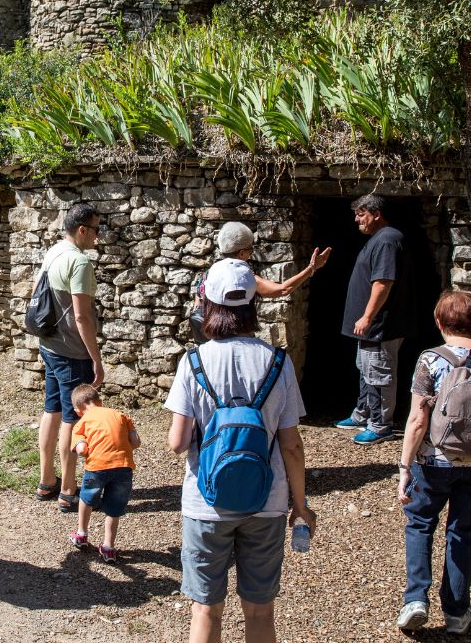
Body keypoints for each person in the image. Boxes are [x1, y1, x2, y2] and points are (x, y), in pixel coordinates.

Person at [165, 258, 316, 643]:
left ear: (208, 305)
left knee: (205, 609)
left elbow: (178, 442)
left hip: (205, 503)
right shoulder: (278, 362)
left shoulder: (194, 362)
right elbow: (292, 445)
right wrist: (300, 505)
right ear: (253, 305)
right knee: (260, 610)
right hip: (267, 501)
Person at [396, 291, 471, 636]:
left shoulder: (431, 361)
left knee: (420, 523)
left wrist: (405, 466)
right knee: (463, 533)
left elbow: (418, 420)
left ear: (439, 322)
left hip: (434, 463)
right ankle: (457, 612)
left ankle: (415, 600)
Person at [34, 202, 103, 513]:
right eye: (96, 230)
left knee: (52, 411)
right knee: (73, 420)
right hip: (71, 351)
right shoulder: (79, 262)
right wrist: (96, 360)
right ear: (82, 229)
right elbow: (82, 317)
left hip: (48, 345)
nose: (98, 239)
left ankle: (47, 479)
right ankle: (68, 489)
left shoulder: (54, 251)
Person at [335, 194, 414, 445]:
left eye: (361, 214)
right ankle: (363, 414)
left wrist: (368, 316)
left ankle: (381, 426)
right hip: (371, 328)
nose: (357, 220)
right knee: (366, 369)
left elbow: (383, 281)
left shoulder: (387, 240)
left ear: (376, 213)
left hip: (381, 326)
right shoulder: (379, 239)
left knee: (379, 373)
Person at [189, 222, 330, 343]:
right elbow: (283, 290)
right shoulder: (244, 279)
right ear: (242, 253)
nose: (251, 252)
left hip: (209, 343)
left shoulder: (208, 276)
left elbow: (198, 309)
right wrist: (311, 268)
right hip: (239, 343)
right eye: (251, 249)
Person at [68, 384, 140, 563]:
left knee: (87, 498)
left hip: (97, 467)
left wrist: (83, 448)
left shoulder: (81, 423)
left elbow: (82, 449)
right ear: (100, 402)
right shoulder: (120, 415)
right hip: (123, 466)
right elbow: (136, 442)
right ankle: (108, 547)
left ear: (78, 410)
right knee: (114, 508)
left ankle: (81, 534)